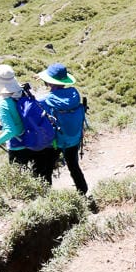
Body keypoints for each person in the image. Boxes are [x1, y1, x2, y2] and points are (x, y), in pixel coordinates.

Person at [0, 64, 55, 184]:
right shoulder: (22, 92)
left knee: (18, 181)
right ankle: (46, 200)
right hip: (36, 140)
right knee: (42, 179)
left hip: (18, 146)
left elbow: (11, 131)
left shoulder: (3, 104)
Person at [37, 63, 89, 196]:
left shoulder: (45, 100)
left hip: (55, 141)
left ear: (49, 82)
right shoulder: (74, 95)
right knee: (73, 165)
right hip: (73, 139)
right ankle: (82, 191)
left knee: (47, 168)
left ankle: (46, 196)